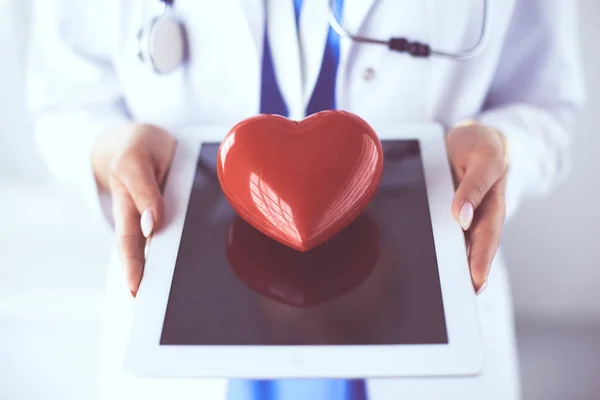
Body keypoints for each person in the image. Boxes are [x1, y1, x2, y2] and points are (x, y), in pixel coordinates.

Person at [26, 0, 584, 399]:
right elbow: (64, 101)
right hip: (191, 337)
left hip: (421, 331)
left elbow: (547, 104)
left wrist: (504, 148)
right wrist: (108, 149)